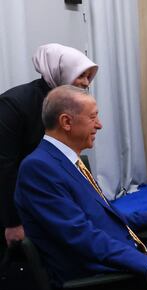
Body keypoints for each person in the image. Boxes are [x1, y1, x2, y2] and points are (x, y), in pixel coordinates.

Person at [14, 85, 147, 290]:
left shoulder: (67, 161)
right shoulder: (39, 168)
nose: (100, 125)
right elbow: (81, 235)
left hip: (123, 261)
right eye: (93, 117)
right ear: (66, 122)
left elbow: (102, 218)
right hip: (100, 278)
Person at [1, 43, 98, 249]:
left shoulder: (71, 105)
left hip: (47, 197)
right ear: (59, 72)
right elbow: (4, 168)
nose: (86, 83)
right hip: (16, 201)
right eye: (80, 76)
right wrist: (13, 222)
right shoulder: (14, 104)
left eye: (89, 77)